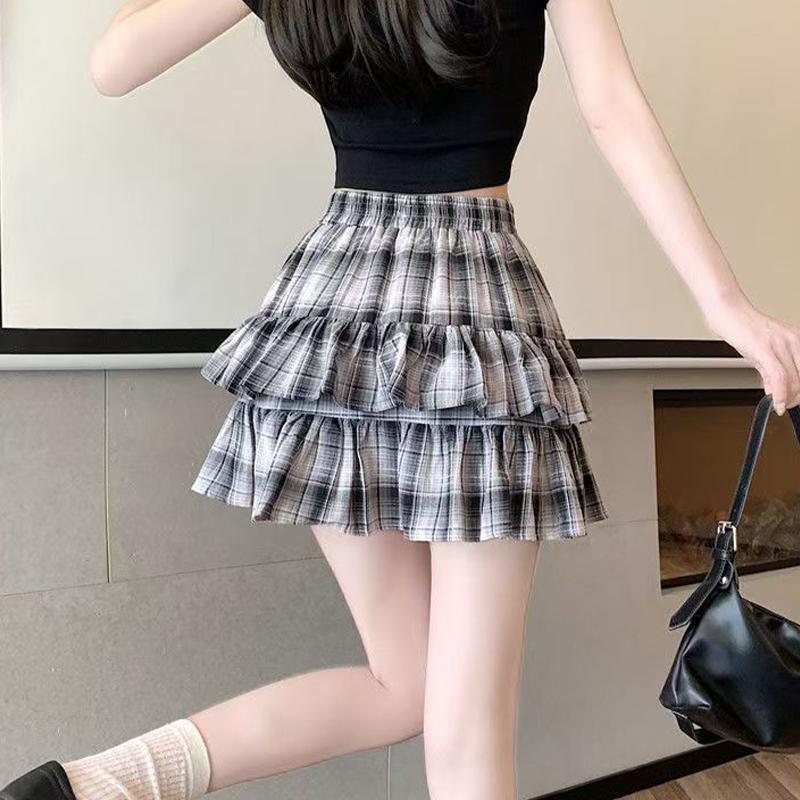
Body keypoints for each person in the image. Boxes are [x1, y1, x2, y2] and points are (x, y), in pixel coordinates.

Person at [3, 1, 800, 799]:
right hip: (475, 312)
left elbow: (113, 64)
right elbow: (612, 107)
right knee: (466, 731)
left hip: (333, 317)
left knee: (406, 685)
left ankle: (95, 787)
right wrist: (724, 304)